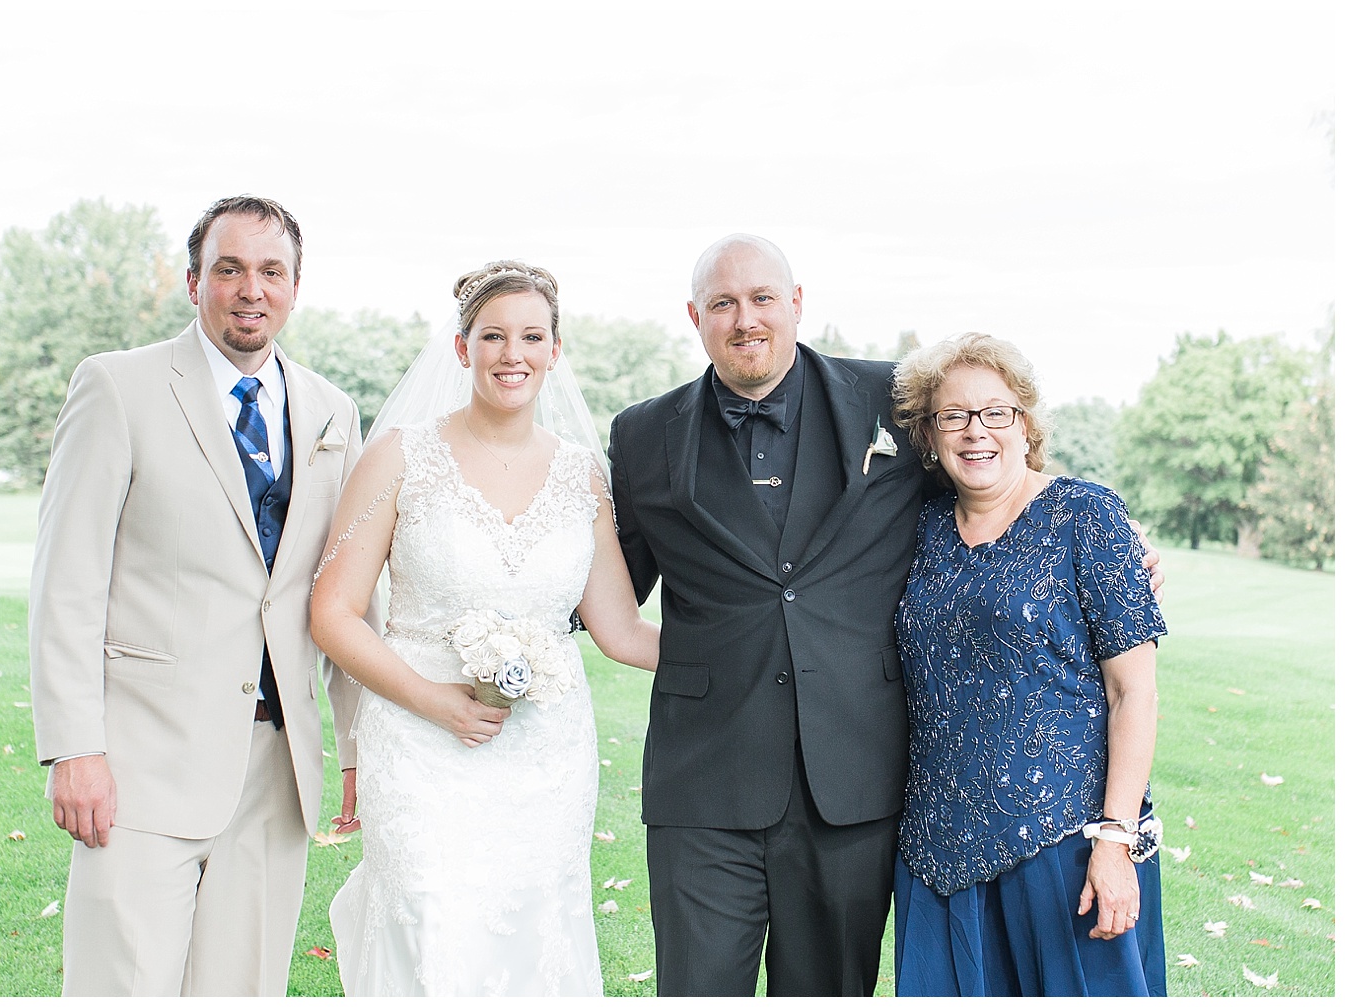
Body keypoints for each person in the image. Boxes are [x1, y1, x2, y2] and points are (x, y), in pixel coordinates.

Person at [607, 235, 1163, 996]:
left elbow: (992, 466)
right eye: (724, 303)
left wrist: (1108, 528)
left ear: (797, 303)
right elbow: (611, 582)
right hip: (705, 780)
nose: (746, 318)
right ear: (694, 315)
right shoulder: (641, 434)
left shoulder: (890, 403)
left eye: (764, 297)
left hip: (854, 786)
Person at [29, 195, 371, 996]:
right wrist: (74, 747)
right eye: (229, 268)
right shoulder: (117, 387)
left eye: (270, 271)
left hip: (277, 769)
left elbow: (350, 594)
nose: (251, 288)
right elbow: (66, 582)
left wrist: (357, 745)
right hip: (140, 762)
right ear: (194, 282)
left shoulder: (331, 410)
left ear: (294, 286)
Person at [311, 260, 660, 996]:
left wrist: (746, 644)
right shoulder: (400, 458)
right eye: (494, 336)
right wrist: (433, 700)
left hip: (547, 761)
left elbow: (622, 629)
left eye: (532, 336)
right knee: (430, 923)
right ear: (463, 347)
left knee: (536, 942)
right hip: (417, 751)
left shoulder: (580, 477)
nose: (513, 354)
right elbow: (332, 612)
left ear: (555, 351)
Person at [888, 332, 1167, 996]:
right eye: (952, 414)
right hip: (934, 855)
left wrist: (1114, 842)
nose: (974, 430)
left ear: (1025, 423)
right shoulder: (914, 527)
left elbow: (1136, 694)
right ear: (930, 433)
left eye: (995, 412)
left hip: (1064, 849)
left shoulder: (1088, 518)